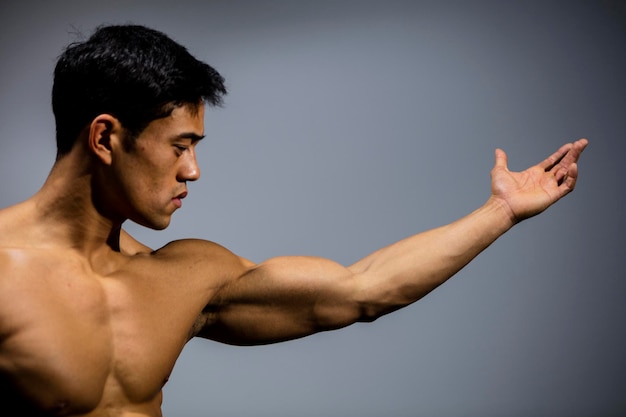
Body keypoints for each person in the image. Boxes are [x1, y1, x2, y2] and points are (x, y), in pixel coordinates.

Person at [0, 23, 587, 416]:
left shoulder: (180, 278)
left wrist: (501, 212)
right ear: (105, 137)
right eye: (179, 147)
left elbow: (363, 290)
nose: (194, 171)